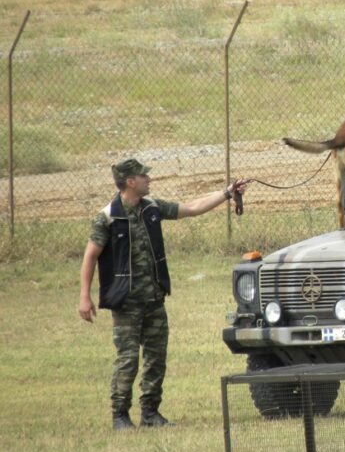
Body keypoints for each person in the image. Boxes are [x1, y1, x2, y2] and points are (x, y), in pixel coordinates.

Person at [78, 158, 246, 430]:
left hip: (154, 299)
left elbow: (191, 208)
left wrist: (226, 193)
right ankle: (120, 415)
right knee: (128, 360)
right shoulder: (108, 216)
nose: (149, 179)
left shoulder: (151, 208)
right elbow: (90, 257)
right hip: (126, 303)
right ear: (130, 181)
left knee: (156, 358)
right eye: (144, 176)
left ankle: (150, 413)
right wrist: (84, 297)